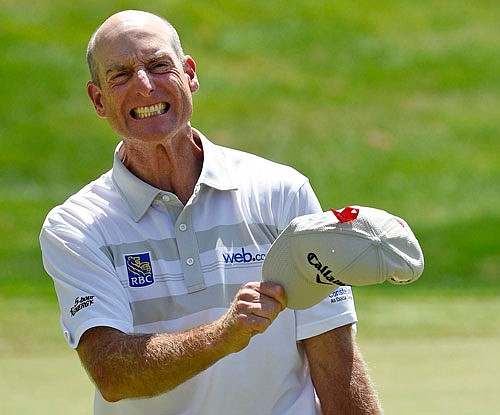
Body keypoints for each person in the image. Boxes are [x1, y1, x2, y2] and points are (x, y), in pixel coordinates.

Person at [40, 10, 383, 415]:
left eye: (158, 65)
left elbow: (334, 357)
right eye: (121, 75)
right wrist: (225, 334)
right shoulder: (75, 226)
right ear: (98, 100)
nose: (145, 86)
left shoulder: (281, 192)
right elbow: (112, 373)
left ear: (189, 74)